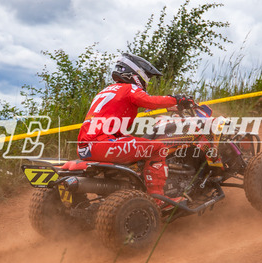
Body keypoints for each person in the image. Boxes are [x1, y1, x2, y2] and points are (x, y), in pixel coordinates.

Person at [77, 53, 195, 206]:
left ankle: (130, 186)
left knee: (137, 142)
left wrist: (169, 106)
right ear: (137, 74)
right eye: (147, 78)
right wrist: (177, 99)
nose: (147, 82)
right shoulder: (130, 88)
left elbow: (139, 106)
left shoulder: (107, 91)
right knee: (158, 148)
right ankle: (157, 200)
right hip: (103, 144)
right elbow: (150, 101)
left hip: (85, 147)